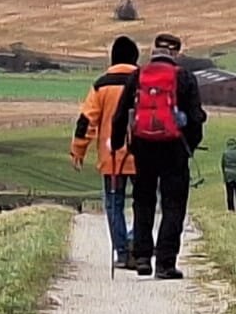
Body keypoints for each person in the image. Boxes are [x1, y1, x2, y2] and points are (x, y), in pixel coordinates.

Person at [108, 31, 205, 278]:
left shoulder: (138, 76)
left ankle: (142, 257)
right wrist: (189, 147)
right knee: (173, 205)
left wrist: (120, 143)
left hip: (143, 146)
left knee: (143, 201)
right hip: (174, 148)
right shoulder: (185, 78)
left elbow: (120, 114)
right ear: (175, 53)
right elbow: (195, 118)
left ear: (154, 51)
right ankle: (165, 263)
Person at [71, 36, 140, 269]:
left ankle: (122, 252)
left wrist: (78, 150)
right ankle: (135, 242)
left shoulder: (101, 85)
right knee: (145, 203)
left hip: (111, 157)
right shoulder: (144, 82)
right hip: (143, 156)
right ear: (135, 58)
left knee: (113, 204)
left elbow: (85, 121)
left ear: (113, 58)